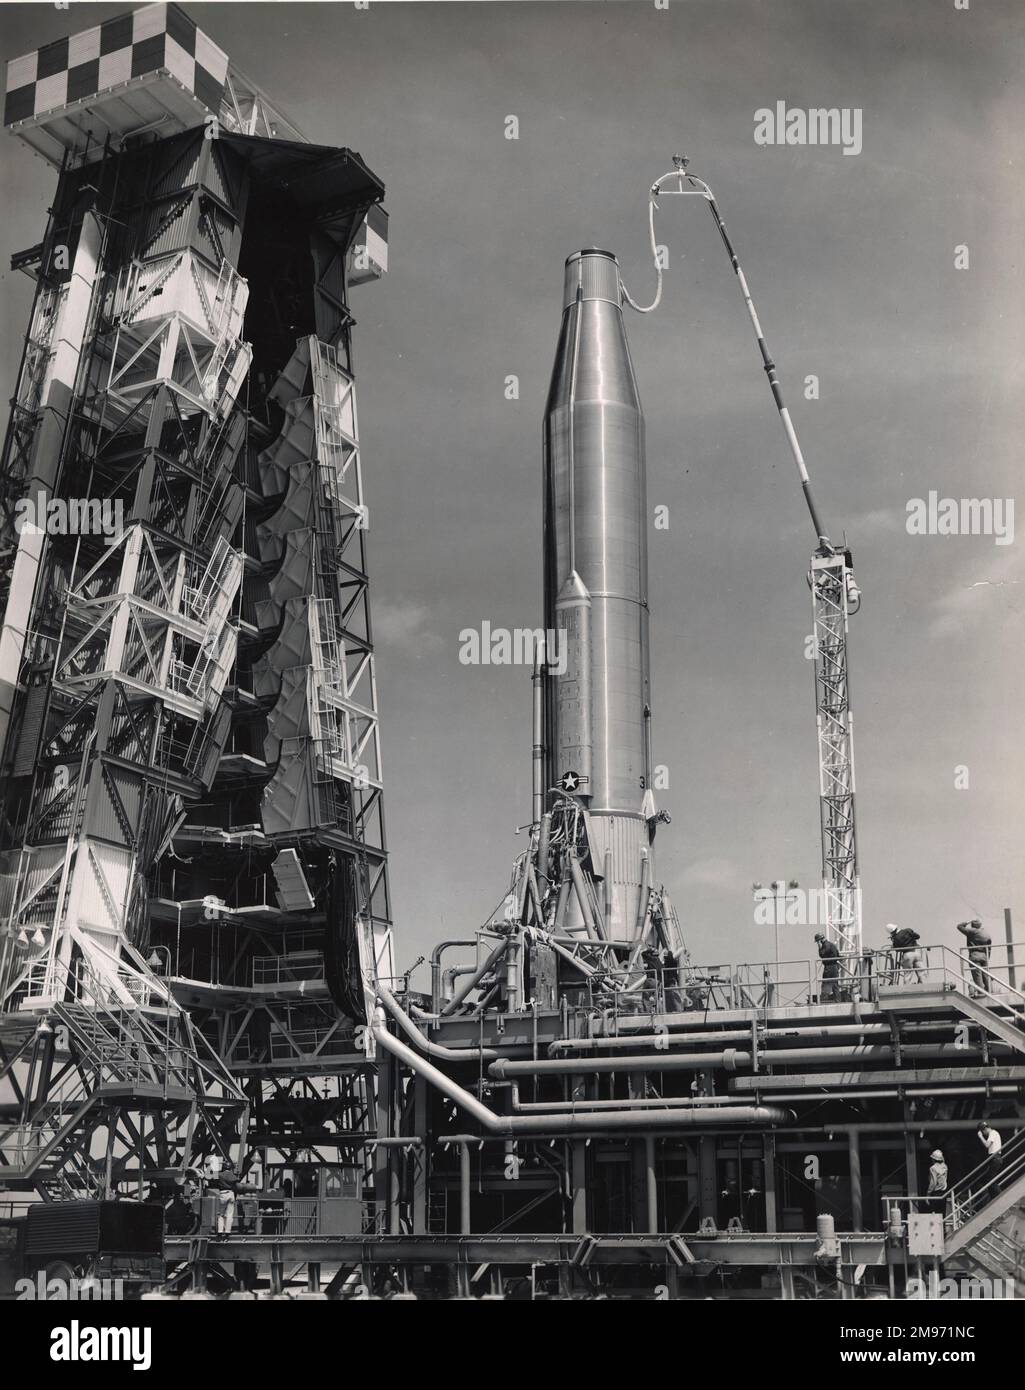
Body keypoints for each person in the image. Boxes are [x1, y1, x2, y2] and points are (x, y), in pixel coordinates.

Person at [957, 919, 992, 997]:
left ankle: (981, 994)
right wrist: (987, 958)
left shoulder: (972, 932)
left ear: (973, 925)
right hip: (984, 956)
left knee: (977, 977)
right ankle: (990, 993)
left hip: (974, 955)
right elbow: (989, 949)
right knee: (986, 976)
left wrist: (968, 921)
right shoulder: (986, 934)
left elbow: (959, 926)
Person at [814, 932, 841, 1002]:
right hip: (834, 967)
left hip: (829, 967)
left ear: (820, 940)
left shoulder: (825, 945)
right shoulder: (831, 945)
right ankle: (837, 1000)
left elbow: (822, 954)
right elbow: (838, 955)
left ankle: (823, 1000)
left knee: (825, 983)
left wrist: (819, 947)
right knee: (835, 984)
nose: (817, 943)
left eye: (817, 941)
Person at [977, 1123, 1003, 1188]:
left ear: (984, 1129)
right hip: (995, 1158)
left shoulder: (992, 1133)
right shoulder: (994, 1133)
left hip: (995, 1158)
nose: (984, 1134)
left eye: (983, 1132)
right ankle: (995, 1196)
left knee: (990, 1180)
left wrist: (980, 1137)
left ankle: (999, 1196)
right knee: (989, 1179)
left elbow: (987, 1145)